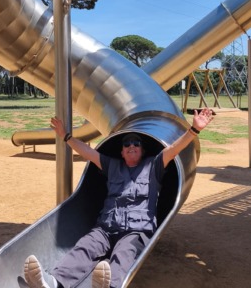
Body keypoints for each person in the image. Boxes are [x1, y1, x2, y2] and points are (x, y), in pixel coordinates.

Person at [24, 108, 215, 288]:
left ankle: (110, 285)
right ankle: (55, 282)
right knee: (85, 247)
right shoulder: (112, 166)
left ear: (142, 151)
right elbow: (87, 152)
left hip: (136, 230)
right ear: (122, 152)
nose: (132, 146)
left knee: (125, 253)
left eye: (136, 144)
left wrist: (194, 129)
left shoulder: (154, 166)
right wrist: (66, 136)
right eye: (127, 144)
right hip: (106, 228)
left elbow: (174, 148)